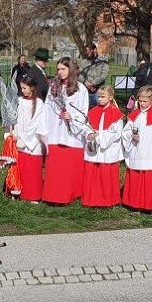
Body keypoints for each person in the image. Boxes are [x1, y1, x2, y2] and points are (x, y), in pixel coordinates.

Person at [39, 57, 88, 204]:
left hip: (71, 133)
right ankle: (53, 195)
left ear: (70, 70)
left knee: (69, 167)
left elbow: (83, 112)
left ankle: (70, 194)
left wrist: (72, 116)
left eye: (63, 69)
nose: (60, 72)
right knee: (56, 167)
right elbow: (47, 108)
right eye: (58, 69)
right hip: (55, 131)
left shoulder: (80, 89)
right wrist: (44, 130)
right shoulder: (54, 87)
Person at [123, 85, 152, 212]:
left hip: (150, 153)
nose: (142, 104)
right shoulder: (135, 115)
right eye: (140, 101)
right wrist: (132, 136)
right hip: (137, 151)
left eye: (145, 101)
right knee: (136, 177)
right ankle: (134, 203)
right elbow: (126, 131)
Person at [82, 85, 123, 207]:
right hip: (94, 146)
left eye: (103, 97)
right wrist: (89, 133)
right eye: (99, 97)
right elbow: (86, 126)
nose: (100, 99)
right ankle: (91, 198)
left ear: (110, 97)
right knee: (92, 172)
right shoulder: (93, 111)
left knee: (106, 174)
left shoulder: (116, 114)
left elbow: (116, 133)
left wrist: (100, 136)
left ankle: (108, 200)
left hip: (108, 149)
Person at [13, 76, 45, 202]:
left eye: (24, 88)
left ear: (32, 88)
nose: (22, 91)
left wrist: (25, 138)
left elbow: (35, 123)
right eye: (21, 88)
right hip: (20, 137)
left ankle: (34, 194)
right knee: (22, 167)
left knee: (33, 168)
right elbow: (17, 119)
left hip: (33, 140)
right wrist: (16, 133)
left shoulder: (39, 103)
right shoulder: (20, 101)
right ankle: (20, 191)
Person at [78, 43, 110, 107]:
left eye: (88, 51)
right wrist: (86, 83)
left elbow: (104, 75)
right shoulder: (84, 61)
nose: (86, 53)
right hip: (86, 90)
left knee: (99, 109)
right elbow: (79, 74)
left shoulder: (103, 61)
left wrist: (93, 83)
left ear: (94, 50)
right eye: (86, 51)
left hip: (98, 91)